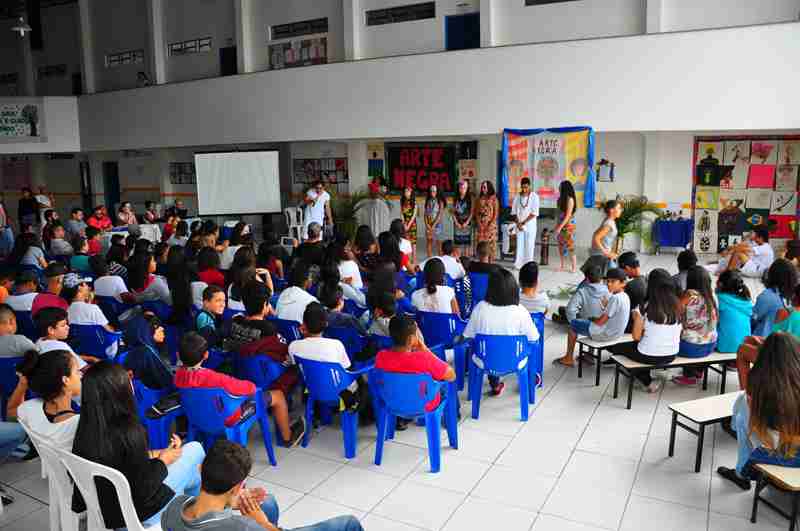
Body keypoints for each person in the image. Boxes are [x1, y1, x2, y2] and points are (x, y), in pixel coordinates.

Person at [70, 361, 205, 528]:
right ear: (120, 391)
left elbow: (122, 461)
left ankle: (195, 505)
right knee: (195, 449)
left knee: (192, 472)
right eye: (128, 380)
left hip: (106, 510)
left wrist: (159, 454)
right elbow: (144, 488)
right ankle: (198, 513)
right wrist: (163, 461)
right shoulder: (130, 430)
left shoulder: (86, 427)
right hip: (138, 513)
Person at [161, 439, 364, 531]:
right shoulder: (245, 527)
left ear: (200, 469)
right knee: (349, 523)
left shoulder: (173, 508)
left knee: (267, 502)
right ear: (237, 486)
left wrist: (232, 503)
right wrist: (263, 523)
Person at [191, 312, 304, 448]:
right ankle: (287, 438)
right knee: (277, 394)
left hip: (204, 413)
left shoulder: (180, 378)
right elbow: (246, 389)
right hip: (233, 410)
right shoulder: (217, 378)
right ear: (205, 354)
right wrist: (253, 388)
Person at [717, 333, 800, 491]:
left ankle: (741, 473)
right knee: (745, 407)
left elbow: (755, 417)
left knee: (743, 409)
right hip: (793, 443)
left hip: (783, 452)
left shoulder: (759, 383)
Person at [462, 268, 539, 396]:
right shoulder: (520, 311)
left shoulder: (480, 307)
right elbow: (534, 338)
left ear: (489, 289)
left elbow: (468, 336)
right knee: (527, 348)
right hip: (515, 361)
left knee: (488, 349)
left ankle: (494, 384)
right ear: (513, 288)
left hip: (485, 361)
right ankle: (530, 380)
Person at [609, 270, 682, 393]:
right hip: (672, 354)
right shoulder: (678, 306)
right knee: (644, 346)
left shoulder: (645, 307)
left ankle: (646, 380)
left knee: (616, 348)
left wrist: (637, 317)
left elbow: (636, 337)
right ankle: (643, 375)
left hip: (647, 355)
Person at [289, 302, 362, 410]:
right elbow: (348, 369)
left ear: (303, 324)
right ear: (326, 324)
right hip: (339, 392)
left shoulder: (293, 347)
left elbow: (296, 368)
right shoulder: (336, 344)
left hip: (312, 388)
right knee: (359, 378)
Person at [376, 315, 456, 408]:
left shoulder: (380, 356)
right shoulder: (424, 358)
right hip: (423, 405)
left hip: (392, 403)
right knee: (443, 387)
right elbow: (451, 376)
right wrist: (426, 350)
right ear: (410, 339)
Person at [556, 268, 630, 368]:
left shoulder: (615, 298)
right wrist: (604, 307)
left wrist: (591, 319)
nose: (609, 284)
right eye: (608, 281)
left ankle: (568, 358)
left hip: (605, 334)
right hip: (617, 333)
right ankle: (588, 355)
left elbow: (599, 322)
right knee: (589, 323)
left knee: (573, 325)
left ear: (623, 283)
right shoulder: (625, 296)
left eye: (613, 281)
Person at [13, 349, 82, 448]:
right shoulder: (79, 424)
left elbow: (11, 413)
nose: (81, 375)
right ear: (65, 380)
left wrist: (22, 385)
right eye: (77, 371)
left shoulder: (28, 408)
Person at [673, 265, 719, 385]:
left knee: (677, 333)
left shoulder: (689, 296)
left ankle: (689, 376)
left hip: (691, 347)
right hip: (711, 344)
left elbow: (674, 314)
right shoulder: (713, 296)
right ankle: (698, 371)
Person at [122, 312, 174, 391]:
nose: (162, 329)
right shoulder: (148, 352)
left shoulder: (133, 348)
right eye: (157, 327)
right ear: (148, 332)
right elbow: (169, 380)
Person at [751, 258, 797, 337]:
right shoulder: (791, 299)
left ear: (773, 274)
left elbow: (753, 318)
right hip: (781, 343)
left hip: (762, 341)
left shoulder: (767, 296)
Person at [717, 269, 753, 353]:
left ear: (720, 284)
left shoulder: (720, 299)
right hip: (744, 346)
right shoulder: (746, 301)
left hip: (724, 346)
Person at [583, 199, 622, 276]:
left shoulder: (609, 220)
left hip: (602, 255)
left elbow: (595, 234)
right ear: (611, 210)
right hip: (601, 256)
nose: (621, 210)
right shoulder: (609, 224)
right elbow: (596, 237)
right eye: (619, 208)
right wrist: (606, 252)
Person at [511, 177, 540, 270]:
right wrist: (518, 223)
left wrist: (523, 222)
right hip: (519, 225)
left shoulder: (534, 196)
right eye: (522, 187)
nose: (524, 189)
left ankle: (528, 264)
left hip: (530, 225)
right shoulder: (517, 197)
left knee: (529, 244)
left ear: (529, 186)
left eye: (526, 187)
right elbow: (514, 212)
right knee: (520, 245)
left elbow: (534, 213)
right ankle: (519, 264)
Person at [553, 180, 578, 273]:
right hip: (560, 224)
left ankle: (574, 267)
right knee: (560, 246)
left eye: (560, 186)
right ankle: (562, 265)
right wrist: (557, 226)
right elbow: (558, 214)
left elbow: (568, 216)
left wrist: (559, 227)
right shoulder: (559, 199)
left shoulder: (570, 199)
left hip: (568, 226)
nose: (559, 188)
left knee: (570, 246)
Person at [617, 251, 648, 316]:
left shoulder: (630, 286)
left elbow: (621, 307)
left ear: (627, 268)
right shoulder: (646, 280)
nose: (623, 274)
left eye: (622, 271)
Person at [475, 180, 499, 263]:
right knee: (481, 245)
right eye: (482, 187)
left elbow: (495, 214)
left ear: (489, 187)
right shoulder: (479, 199)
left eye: (484, 187)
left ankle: (491, 263)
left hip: (491, 226)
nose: (483, 189)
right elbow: (476, 213)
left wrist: (489, 224)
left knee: (491, 246)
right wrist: (479, 224)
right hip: (481, 226)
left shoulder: (494, 199)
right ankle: (482, 263)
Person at [451, 180, 474, 256]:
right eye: (461, 187)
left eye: (464, 187)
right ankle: (458, 261)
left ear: (467, 188)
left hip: (467, 224)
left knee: (466, 244)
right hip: (457, 224)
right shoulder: (455, 198)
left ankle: (466, 261)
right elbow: (453, 212)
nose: (462, 189)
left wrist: (466, 223)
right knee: (458, 244)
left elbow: (471, 212)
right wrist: (457, 223)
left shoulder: (470, 198)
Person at [423, 185, 445, 259]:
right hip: (429, 225)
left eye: (434, 191)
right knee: (429, 242)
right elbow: (425, 214)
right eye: (431, 191)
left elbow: (439, 215)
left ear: (437, 192)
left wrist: (433, 226)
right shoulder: (428, 201)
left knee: (439, 244)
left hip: (437, 226)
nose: (432, 192)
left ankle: (441, 260)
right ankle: (429, 259)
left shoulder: (440, 202)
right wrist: (427, 225)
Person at [400, 186, 419, 264]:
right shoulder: (402, 201)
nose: (406, 193)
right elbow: (401, 214)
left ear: (411, 193)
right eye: (405, 192)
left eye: (408, 191)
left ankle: (414, 260)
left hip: (412, 224)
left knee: (413, 243)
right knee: (407, 242)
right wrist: (404, 223)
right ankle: (408, 261)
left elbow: (414, 216)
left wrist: (408, 225)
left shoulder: (414, 202)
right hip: (405, 224)